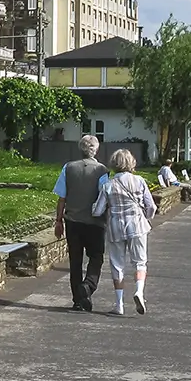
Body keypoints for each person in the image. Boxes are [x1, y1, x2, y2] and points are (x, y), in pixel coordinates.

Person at [93, 148, 157, 316]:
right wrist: (146, 217)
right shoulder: (139, 181)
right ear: (131, 162)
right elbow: (151, 206)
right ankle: (139, 292)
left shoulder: (108, 185)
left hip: (116, 227)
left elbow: (97, 211)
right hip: (137, 225)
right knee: (140, 262)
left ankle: (119, 304)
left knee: (117, 265)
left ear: (114, 164)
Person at [53, 135, 110, 312]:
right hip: (95, 222)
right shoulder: (102, 171)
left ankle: (78, 299)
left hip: (73, 221)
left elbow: (62, 197)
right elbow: (104, 196)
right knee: (96, 256)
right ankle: (88, 285)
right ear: (96, 149)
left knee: (75, 260)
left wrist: (58, 220)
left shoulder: (68, 168)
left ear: (80, 149)